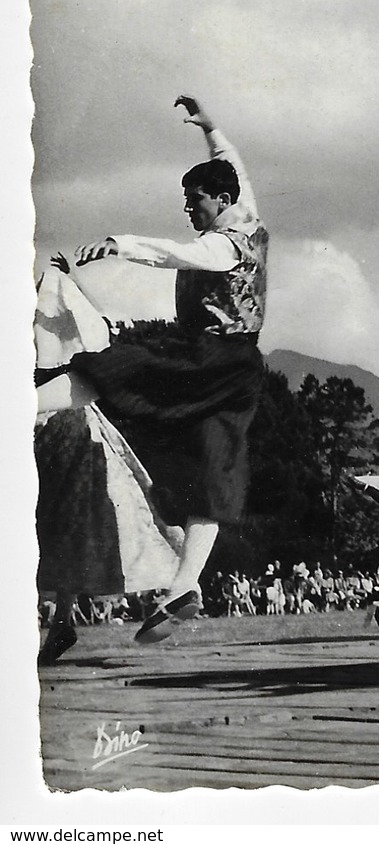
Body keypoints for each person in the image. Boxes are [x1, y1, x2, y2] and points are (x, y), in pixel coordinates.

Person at [36, 96, 268, 644]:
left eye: (197, 201)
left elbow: (178, 255)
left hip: (208, 357)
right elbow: (236, 166)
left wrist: (122, 244)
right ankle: (185, 586)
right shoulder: (251, 218)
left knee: (105, 368)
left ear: (222, 200)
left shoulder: (225, 244)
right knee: (212, 479)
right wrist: (212, 129)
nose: (191, 210)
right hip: (239, 370)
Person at [34, 268, 184, 664]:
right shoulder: (65, 342)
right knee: (66, 528)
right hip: (64, 432)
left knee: (70, 526)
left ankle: (64, 620)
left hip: (66, 434)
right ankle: (62, 621)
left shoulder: (54, 343)